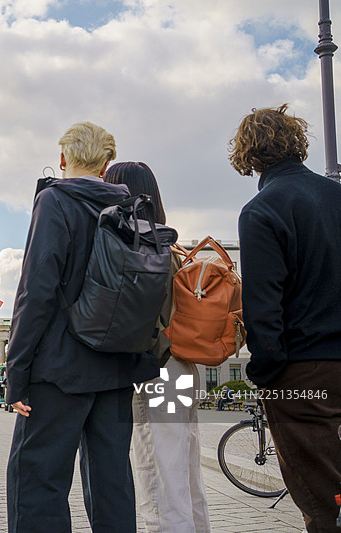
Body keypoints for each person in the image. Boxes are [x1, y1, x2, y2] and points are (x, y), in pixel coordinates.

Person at [5, 122, 159, 532]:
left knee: (38, 483)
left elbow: (35, 291)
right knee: (112, 485)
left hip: (59, 370)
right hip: (115, 368)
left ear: (62, 159)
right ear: (107, 164)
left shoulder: (55, 200)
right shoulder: (133, 207)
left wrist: (15, 372)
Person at [232, 104, 341, 533]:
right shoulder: (336, 195)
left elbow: (263, 304)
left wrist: (266, 369)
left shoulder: (262, 210)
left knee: (322, 499)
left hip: (303, 368)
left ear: (247, 155)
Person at [105, 161, 210, 533]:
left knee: (156, 472)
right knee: (183, 471)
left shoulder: (137, 246)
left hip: (156, 370)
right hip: (182, 368)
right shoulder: (171, 243)